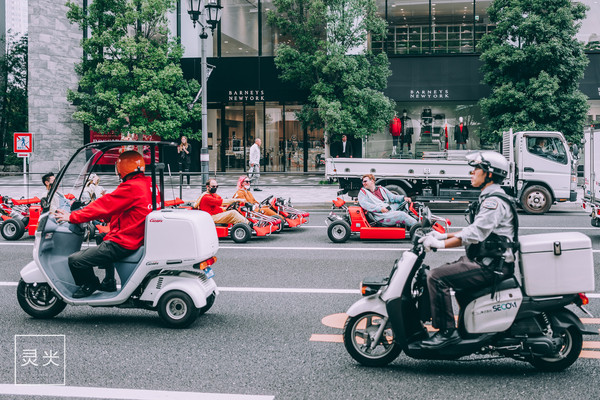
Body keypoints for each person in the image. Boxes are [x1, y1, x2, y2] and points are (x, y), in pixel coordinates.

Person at [418, 151, 518, 349]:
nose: (472, 173)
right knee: (456, 287)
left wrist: (441, 245)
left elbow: (476, 234)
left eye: (476, 169)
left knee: (436, 277)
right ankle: (469, 330)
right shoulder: (489, 197)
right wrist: (442, 236)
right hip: (487, 262)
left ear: (489, 174)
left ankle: (447, 333)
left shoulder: (493, 202)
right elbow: (474, 230)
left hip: (491, 266)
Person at [55, 151, 156, 298]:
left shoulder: (130, 188)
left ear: (122, 168)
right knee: (102, 237)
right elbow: (124, 209)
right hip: (137, 235)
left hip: (125, 242)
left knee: (75, 260)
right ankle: (109, 281)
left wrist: (72, 216)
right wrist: (105, 216)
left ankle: (90, 283)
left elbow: (104, 204)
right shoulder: (147, 184)